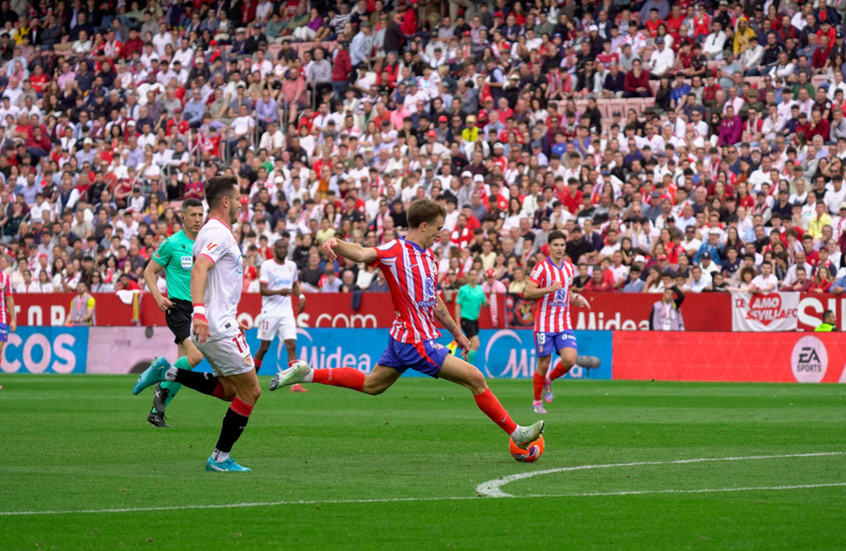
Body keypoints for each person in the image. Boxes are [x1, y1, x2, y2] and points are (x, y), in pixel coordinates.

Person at [269, 198, 545, 449]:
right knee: (475, 378)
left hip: (405, 338)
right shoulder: (396, 250)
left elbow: (433, 300)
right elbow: (364, 253)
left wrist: (457, 333)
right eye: (438, 228)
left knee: (372, 385)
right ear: (424, 226)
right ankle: (516, 432)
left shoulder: (428, 257)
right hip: (415, 341)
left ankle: (307, 373)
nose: (440, 234)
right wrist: (336, 243)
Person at [132, 176, 259, 472]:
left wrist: (220, 314)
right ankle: (219, 458)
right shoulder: (218, 233)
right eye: (237, 199)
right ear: (225, 202)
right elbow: (200, 268)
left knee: (229, 390)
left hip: (215, 323)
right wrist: (201, 313)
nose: (241, 204)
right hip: (214, 325)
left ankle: (169, 372)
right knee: (251, 392)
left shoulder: (205, 233)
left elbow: (213, 280)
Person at [140, 198, 206, 428]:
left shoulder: (207, 243)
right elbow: (149, 272)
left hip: (199, 310)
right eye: (193, 215)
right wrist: (158, 297)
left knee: (183, 368)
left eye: (201, 215)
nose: (197, 219)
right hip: (177, 308)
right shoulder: (171, 243)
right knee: (196, 356)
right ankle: (161, 379)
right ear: (183, 217)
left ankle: (155, 413)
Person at [523, 230, 590, 414]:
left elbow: (566, 292)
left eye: (562, 245)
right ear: (549, 247)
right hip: (544, 324)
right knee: (543, 364)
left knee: (570, 359)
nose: (559, 248)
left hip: (563, 322)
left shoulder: (569, 268)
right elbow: (528, 292)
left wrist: (573, 300)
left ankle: (549, 380)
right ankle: (537, 401)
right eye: (556, 245)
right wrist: (549, 288)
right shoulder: (541, 268)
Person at [253, 236, 307, 391]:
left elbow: (294, 284)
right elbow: (262, 290)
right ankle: (250, 380)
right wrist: (279, 291)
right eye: (280, 248)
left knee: (291, 345)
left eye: (285, 248)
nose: (283, 250)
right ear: (274, 249)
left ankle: (295, 384)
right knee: (264, 348)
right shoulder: (267, 265)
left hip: (286, 312)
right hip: (269, 312)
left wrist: (301, 296)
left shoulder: (291, 266)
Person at [453, 268, 488, 365]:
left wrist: (488, 303)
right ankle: (463, 367)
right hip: (466, 319)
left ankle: (465, 367)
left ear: (478, 276)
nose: (473, 277)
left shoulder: (480, 289)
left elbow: (485, 304)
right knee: (476, 344)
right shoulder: (463, 289)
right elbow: (457, 306)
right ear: (468, 276)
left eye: (475, 274)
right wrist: (458, 323)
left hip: (475, 321)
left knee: (470, 346)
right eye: (471, 274)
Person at [0, 267, 15, 358]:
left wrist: (13, 319)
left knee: (0, 346)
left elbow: (9, 298)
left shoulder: (5, 277)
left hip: (1, 316)